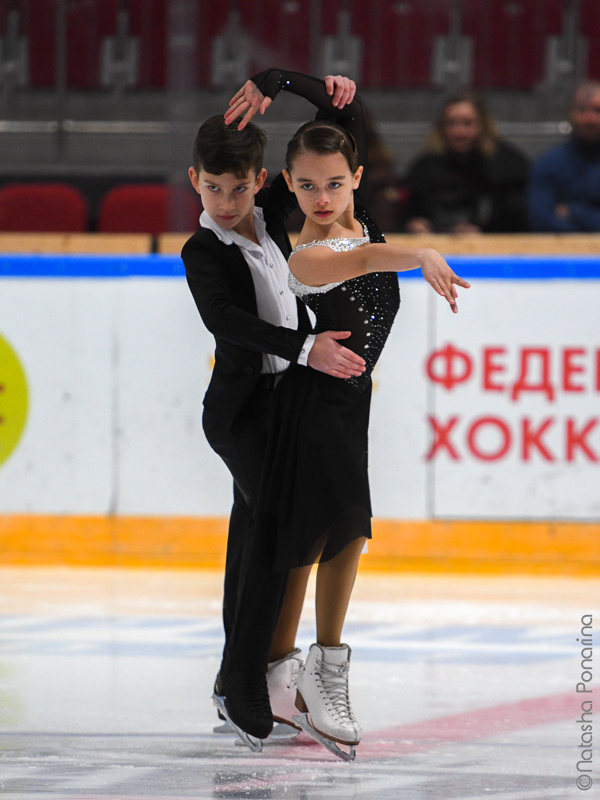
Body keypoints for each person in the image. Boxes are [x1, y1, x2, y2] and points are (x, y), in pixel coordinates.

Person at [225, 69, 469, 759]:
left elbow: (346, 109)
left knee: (345, 539)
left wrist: (285, 81)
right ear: (288, 185)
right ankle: (293, 678)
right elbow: (359, 258)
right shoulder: (304, 254)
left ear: (357, 176)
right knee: (312, 546)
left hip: (347, 409)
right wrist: (419, 251)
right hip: (309, 412)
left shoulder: (360, 217)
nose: (322, 197)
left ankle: (314, 673)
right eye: (305, 186)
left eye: (334, 183)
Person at [181, 72, 368, 750]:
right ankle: (243, 688)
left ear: (261, 181)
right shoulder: (202, 249)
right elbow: (225, 319)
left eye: (238, 188)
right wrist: (305, 347)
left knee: (255, 540)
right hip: (237, 416)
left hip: (283, 407)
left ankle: (248, 677)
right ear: (193, 178)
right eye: (212, 188)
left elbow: (339, 134)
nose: (226, 202)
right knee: (275, 536)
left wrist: (286, 81)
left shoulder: (275, 222)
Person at [403, 90, 529, 234]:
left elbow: (516, 218)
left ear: (483, 125)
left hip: (490, 249)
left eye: (467, 124)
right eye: (451, 123)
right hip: (433, 246)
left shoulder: (508, 165)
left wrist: (484, 230)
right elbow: (410, 211)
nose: (459, 132)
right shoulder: (425, 166)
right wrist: (415, 223)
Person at [528, 82, 600, 232]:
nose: (590, 119)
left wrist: (573, 211)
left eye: (598, 111)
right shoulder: (548, 163)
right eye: (582, 110)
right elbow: (542, 220)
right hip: (561, 252)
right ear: (571, 113)